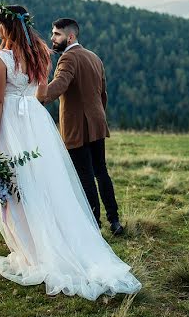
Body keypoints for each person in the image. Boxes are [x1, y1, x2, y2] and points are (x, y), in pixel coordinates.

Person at [0, 2, 141, 300]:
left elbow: (17, 98)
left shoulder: (9, 58)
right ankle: (110, 221)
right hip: (63, 124)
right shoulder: (63, 55)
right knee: (78, 177)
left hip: (38, 125)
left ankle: (42, 244)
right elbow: (86, 92)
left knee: (48, 181)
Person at [36, 17, 124, 236]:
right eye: (52, 33)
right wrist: (99, 116)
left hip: (77, 127)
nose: (52, 38)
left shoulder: (67, 59)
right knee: (101, 172)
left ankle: (93, 226)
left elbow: (59, 85)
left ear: (70, 36)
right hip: (96, 122)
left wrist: (40, 95)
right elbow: (103, 93)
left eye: (57, 34)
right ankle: (114, 221)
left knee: (85, 176)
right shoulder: (94, 57)